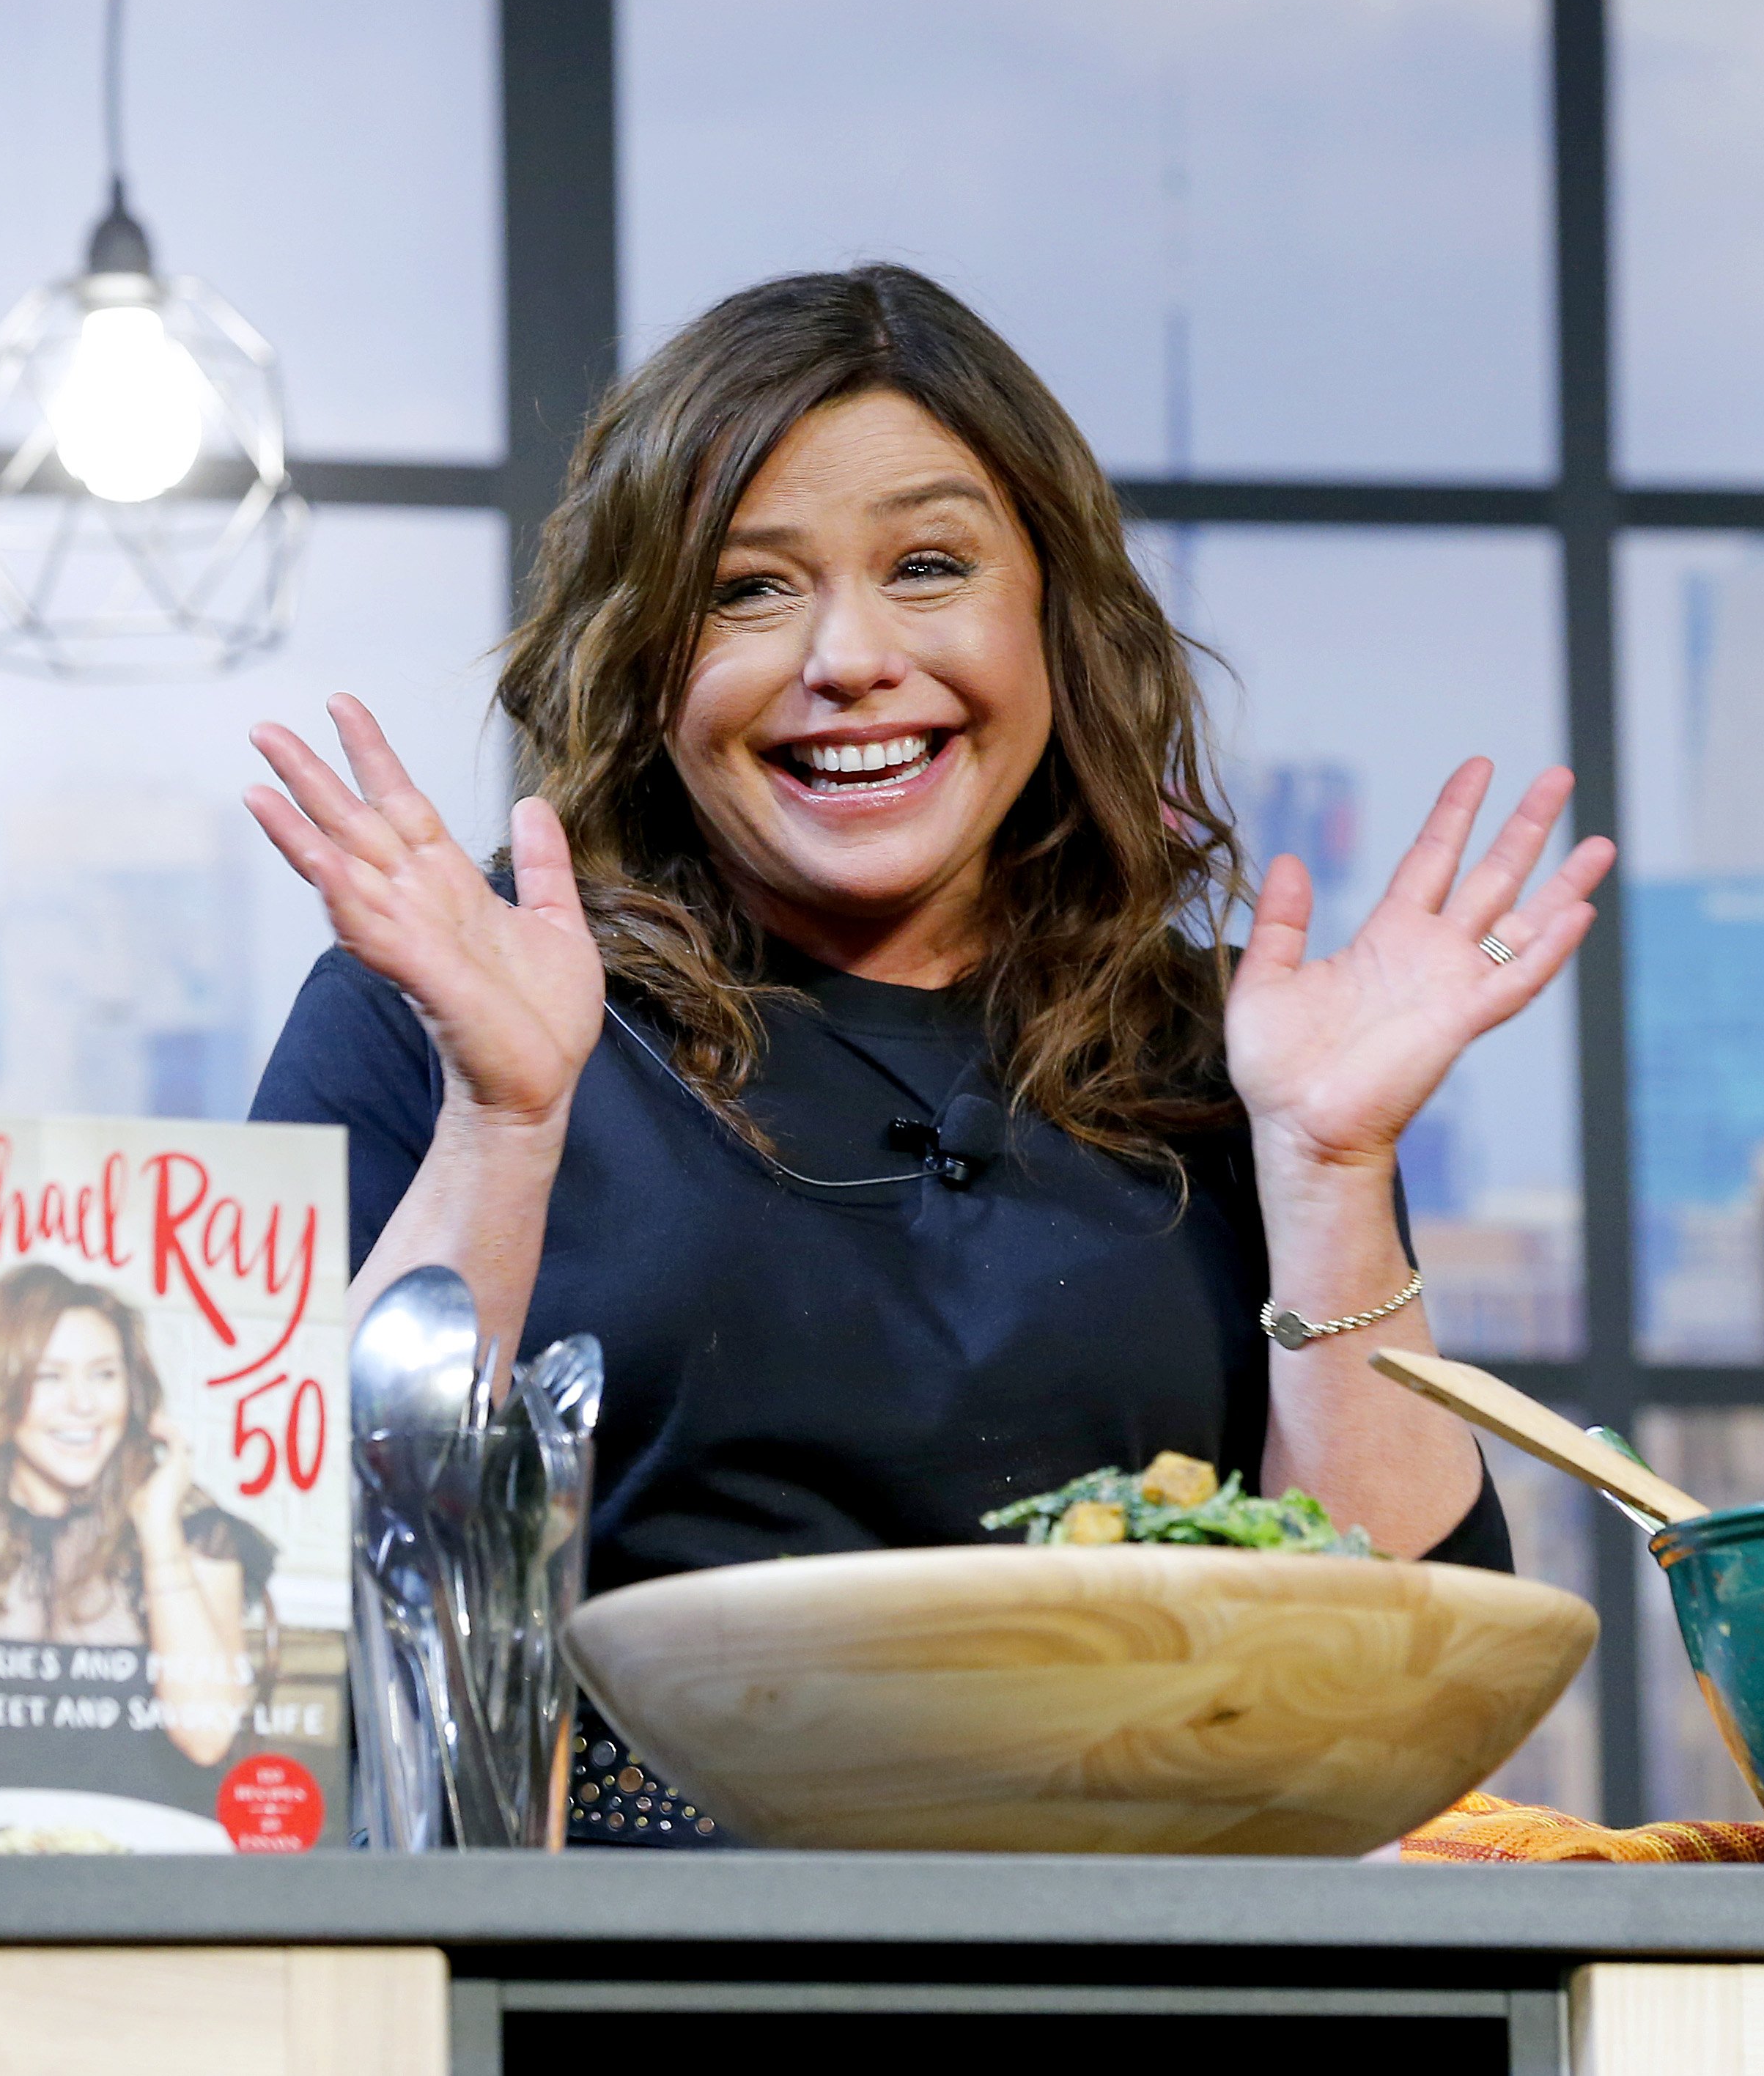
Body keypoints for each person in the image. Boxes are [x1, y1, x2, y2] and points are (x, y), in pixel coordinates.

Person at [246, 264, 1612, 1846]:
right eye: (749, 589)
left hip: (1133, 1965)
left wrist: (1326, 1165)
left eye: (931, 565)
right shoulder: (440, 1007)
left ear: (1053, 617)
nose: (850, 658)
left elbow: (1394, 1695)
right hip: (602, 1976)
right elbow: (280, 1596)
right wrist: (502, 1114)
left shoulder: (1232, 1056)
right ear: (643, 657)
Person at [0, 1262, 274, 1846]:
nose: (83, 1405)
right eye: (50, 1377)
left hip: (155, 1841)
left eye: (104, 1375)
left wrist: (158, 1530)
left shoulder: (194, 1527)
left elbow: (208, 1735)